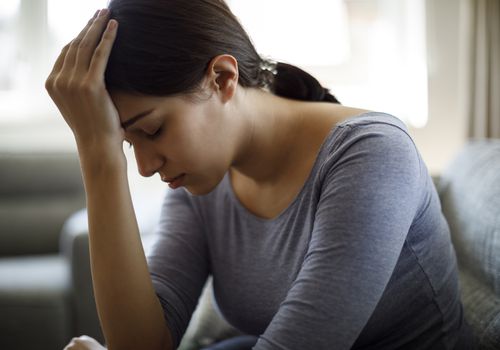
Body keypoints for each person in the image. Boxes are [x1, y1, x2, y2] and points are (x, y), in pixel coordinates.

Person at [46, 1, 475, 349]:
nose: (143, 165)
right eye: (125, 144)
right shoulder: (201, 183)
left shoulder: (370, 153)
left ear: (222, 77)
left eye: (153, 130)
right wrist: (97, 154)